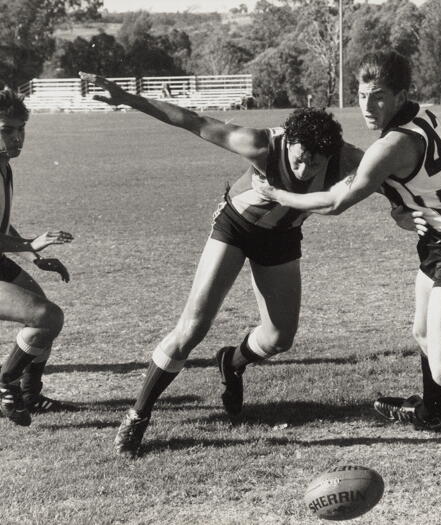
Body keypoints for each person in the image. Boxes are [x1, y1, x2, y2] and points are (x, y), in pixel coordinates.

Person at [78, 72, 364, 457]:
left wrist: (407, 211)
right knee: (192, 327)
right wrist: (127, 97)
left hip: (281, 237)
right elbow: (193, 121)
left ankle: (232, 361)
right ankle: (138, 414)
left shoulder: (345, 157)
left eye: (316, 163)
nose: (306, 169)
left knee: (280, 339)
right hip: (236, 226)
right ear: (289, 142)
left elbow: (393, 175)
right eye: (300, 158)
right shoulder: (260, 143)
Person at [253, 50, 441, 430]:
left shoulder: (392, 145)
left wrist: (279, 195)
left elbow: (336, 202)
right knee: (423, 333)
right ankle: (431, 412)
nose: (367, 104)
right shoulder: (422, 115)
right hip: (439, 242)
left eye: (378, 95)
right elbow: (410, 182)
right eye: (362, 94)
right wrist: (401, 205)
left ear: (401, 94)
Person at [0, 88, 74, 427]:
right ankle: (5, 381)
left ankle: (29, 393)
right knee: (47, 317)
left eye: (21, 129)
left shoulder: (4, 166)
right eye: (6, 129)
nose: (17, 137)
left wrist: (32, 253)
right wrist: (32, 242)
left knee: (43, 317)